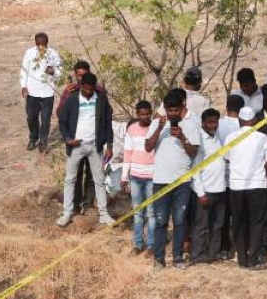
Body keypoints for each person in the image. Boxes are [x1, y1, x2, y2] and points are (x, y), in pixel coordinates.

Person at [147, 89, 201, 268]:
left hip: (182, 182)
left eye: (175, 110)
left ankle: (177, 258)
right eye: (169, 110)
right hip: (160, 180)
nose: (172, 114)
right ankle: (159, 259)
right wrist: (160, 128)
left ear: (182, 107)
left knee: (179, 221)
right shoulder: (157, 123)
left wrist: (182, 137)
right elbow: (148, 147)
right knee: (161, 221)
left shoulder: (191, 124)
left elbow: (193, 152)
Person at [55, 72, 115, 227]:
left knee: (99, 180)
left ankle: (103, 214)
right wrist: (68, 139)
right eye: (86, 89)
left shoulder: (101, 99)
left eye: (91, 89)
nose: (89, 92)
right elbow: (62, 121)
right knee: (70, 180)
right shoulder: (72, 100)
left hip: (95, 146)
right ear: (82, 86)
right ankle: (67, 213)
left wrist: (109, 145)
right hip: (76, 145)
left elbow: (108, 122)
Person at [225, 106, 267, 268]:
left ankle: (242, 259)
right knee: (256, 222)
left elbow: (226, 158)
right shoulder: (262, 138)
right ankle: (253, 259)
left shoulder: (230, 138)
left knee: (239, 221)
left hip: (236, 186)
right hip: (257, 185)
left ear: (239, 121)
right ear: (254, 121)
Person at [190, 108, 227, 264]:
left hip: (220, 189)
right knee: (202, 226)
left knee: (217, 225)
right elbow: (195, 168)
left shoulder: (217, 137)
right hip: (205, 191)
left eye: (216, 122)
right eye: (210, 122)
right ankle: (198, 255)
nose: (214, 125)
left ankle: (214, 254)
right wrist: (200, 193)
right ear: (203, 123)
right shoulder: (199, 140)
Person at [120, 100, 157, 253]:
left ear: (151, 113)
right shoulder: (132, 130)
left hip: (152, 177)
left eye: (148, 114)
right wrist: (124, 176)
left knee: (152, 212)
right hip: (135, 176)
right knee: (138, 212)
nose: (145, 117)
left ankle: (151, 245)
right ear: (137, 114)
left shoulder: (156, 128)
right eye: (142, 114)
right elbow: (127, 154)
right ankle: (137, 244)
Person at [19, 32, 62, 152]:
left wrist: (53, 72)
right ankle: (33, 138)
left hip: (48, 92)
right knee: (31, 117)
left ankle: (43, 141)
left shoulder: (53, 54)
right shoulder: (30, 53)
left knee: (46, 118)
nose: (41, 47)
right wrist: (24, 86)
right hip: (32, 92)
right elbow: (24, 70)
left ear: (47, 44)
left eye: (43, 45)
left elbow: (60, 71)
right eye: (38, 45)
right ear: (35, 43)